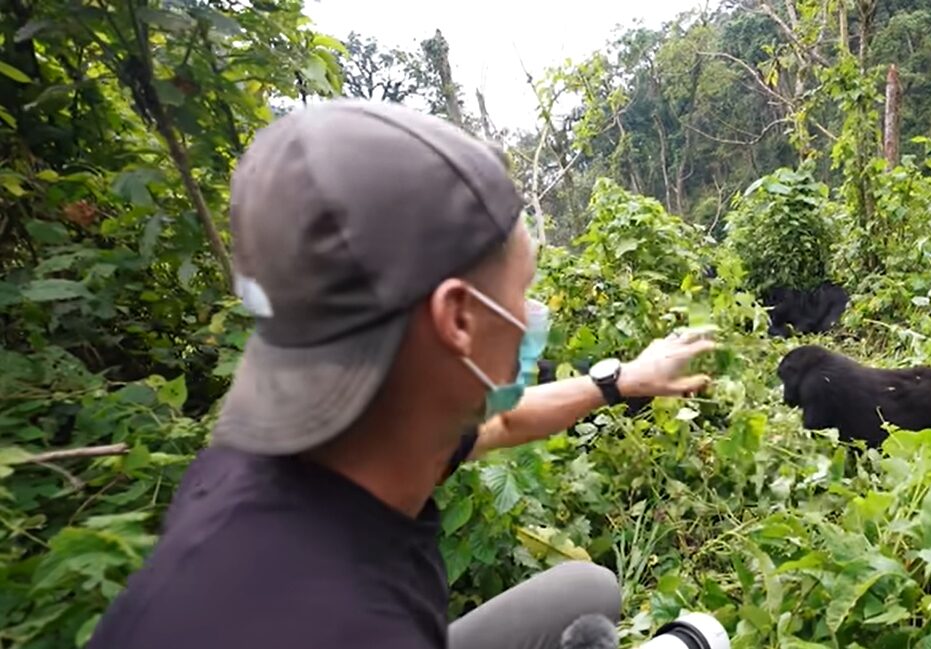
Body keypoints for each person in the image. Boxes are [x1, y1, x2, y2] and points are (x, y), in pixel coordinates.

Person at [86, 99, 717, 649]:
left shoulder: (343, 444)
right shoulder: (334, 621)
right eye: (525, 291)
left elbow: (503, 422)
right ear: (459, 319)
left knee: (584, 589)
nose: (533, 316)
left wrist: (620, 382)